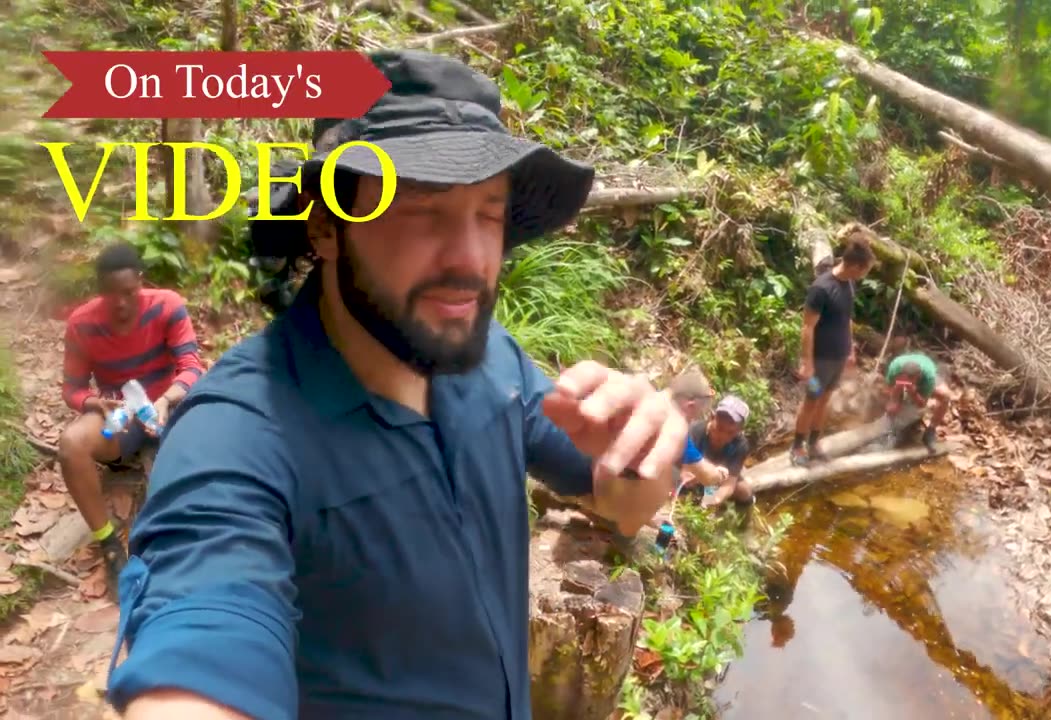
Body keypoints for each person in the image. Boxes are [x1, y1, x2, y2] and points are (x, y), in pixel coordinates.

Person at [106, 51, 687, 720]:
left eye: (489, 214)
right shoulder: (238, 436)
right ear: (326, 226)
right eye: (421, 208)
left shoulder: (493, 360)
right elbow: (203, 628)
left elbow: (619, 500)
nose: (471, 260)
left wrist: (644, 454)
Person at [57, 243, 204, 592]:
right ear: (99, 291)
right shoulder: (82, 324)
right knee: (71, 445)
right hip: (120, 420)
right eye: (110, 294)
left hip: (168, 410)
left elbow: (192, 366)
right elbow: (72, 389)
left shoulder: (168, 306)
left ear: (141, 281)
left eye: (128, 292)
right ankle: (109, 543)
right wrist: (95, 404)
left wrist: (167, 400)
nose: (120, 303)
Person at [791, 230, 876, 466]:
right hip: (819, 360)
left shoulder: (848, 284)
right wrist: (807, 363)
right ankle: (798, 447)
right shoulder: (821, 288)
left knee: (825, 399)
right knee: (811, 400)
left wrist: (851, 350)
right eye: (866, 269)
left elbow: (846, 318)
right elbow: (807, 327)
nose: (865, 274)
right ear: (857, 266)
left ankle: (815, 442)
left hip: (837, 358)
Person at [669, 371, 732, 491]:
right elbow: (708, 477)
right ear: (690, 406)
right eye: (694, 417)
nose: (692, 421)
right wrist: (719, 474)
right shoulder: (675, 429)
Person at [689, 395, 755, 508]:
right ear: (712, 417)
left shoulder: (740, 445)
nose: (722, 436)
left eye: (730, 432)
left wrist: (716, 498)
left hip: (717, 479)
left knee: (744, 491)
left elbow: (729, 483)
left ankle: (737, 516)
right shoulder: (695, 432)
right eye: (719, 428)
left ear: (739, 431)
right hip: (692, 474)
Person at [883, 352, 952, 452]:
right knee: (891, 402)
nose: (906, 383)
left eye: (910, 381)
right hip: (902, 377)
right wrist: (894, 400)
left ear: (918, 377)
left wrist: (913, 392)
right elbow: (888, 388)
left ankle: (930, 430)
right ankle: (891, 428)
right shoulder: (895, 368)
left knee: (945, 396)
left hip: (925, 374)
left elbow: (921, 404)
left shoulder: (928, 378)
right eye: (904, 379)